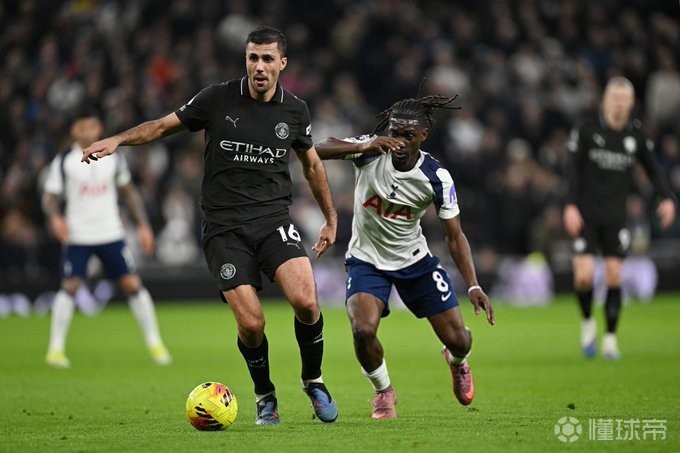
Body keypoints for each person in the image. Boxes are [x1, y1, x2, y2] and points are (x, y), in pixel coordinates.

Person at [81, 26, 338, 425]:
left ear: (282, 64)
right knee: (251, 323)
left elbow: (312, 166)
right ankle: (265, 395)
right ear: (246, 60)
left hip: (272, 220)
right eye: (253, 57)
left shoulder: (295, 110)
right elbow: (161, 126)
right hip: (224, 229)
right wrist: (117, 140)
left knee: (306, 301)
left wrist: (330, 218)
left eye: (268, 59)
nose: (259, 66)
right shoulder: (217, 98)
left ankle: (313, 380)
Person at [315, 95, 495, 420]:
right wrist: (367, 144)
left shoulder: (436, 177)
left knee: (459, 340)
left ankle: (457, 361)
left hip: (415, 261)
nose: (398, 142)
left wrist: (472, 285)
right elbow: (318, 149)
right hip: (366, 260)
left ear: (423, 135)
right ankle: (383, 391)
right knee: (362, 330)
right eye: (394, 133)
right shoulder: (371, 151)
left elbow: (455, 236)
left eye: (408, 135)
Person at [43, 115, 172, 368]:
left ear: (99, 128)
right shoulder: (64, 161)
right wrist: (55, 218)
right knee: (70, 287)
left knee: (132, 284)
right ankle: (55, 349)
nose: (86, 131)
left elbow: (129, 193)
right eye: (81, 127)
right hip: (78, 235)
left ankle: (155, 343)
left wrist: (143, 225)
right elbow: (49, 197)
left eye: (91, 126)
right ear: (74, 131)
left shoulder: (113, 157)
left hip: (110, 232)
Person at [563, 76, 676, 360]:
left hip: (615, 217)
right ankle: (588, 322)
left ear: (632, 102)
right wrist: (570, 206)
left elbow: (654, 169)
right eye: (614, 97)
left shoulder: (636, 135)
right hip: (586, 214)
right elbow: (572, 169)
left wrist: (666, 198)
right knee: (584, 277)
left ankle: (611, 340)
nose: (619, 103)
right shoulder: (587, 129)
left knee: (614, 275)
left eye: (624, 98)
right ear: (605, 99)